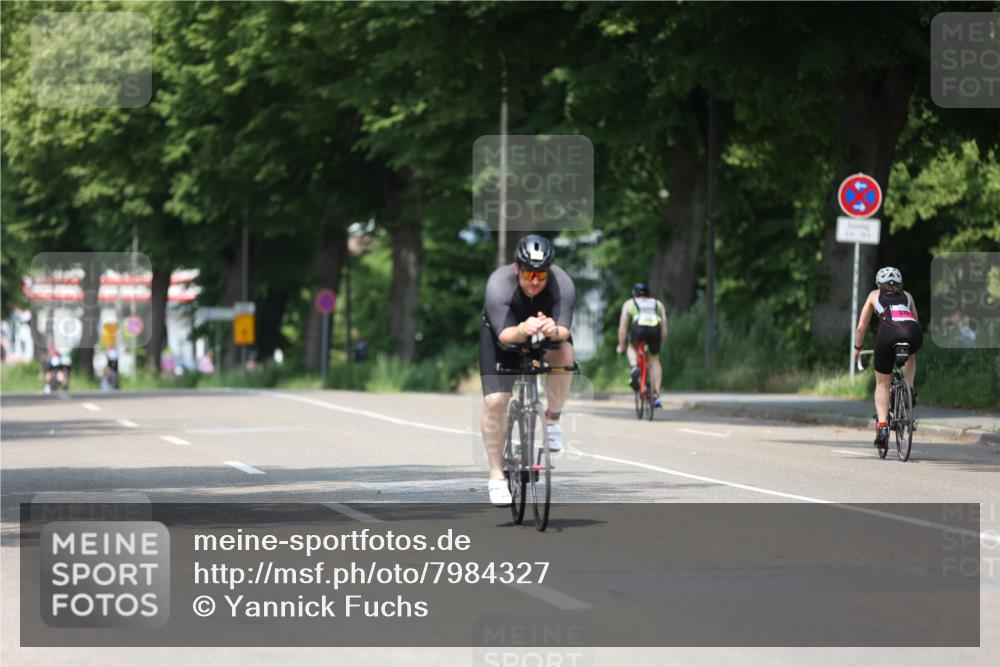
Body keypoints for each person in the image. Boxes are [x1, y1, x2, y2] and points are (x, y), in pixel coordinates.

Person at [480, 234, 576, 506]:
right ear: (517, 268)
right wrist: (524, 328)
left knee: (565, 352)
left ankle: (552, 419)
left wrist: (551, 329)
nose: (535, 281)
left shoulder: (563, 283)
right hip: (504, 336)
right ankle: (496, 475)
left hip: (544, 334)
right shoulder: (499, 284)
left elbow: (565, 330)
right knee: (496, 401)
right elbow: (505, 336)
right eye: (529, 274)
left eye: (541, 275)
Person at [853, 267, 923, 449]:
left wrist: (857, 348)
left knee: (882, 384)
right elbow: (916, 319)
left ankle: (883, 426)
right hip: (913, 333)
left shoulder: (873, 295)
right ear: (900, 284)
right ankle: (910, 389)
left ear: (879, 283)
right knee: (910, 354)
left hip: (887, 335)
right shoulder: (908, 296)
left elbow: (861, 328)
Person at [616, 282, 668, 408]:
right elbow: (664, 328)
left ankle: (634, 367)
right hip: (655, 330)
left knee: (631, 348)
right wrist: (662, 342)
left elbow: (623, 328)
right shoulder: (657, 304)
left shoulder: (630, 303)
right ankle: (656, 394)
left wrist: (621, 346)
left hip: (638, 329)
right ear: (648, 294)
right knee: (655, 360)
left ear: (634, 294)